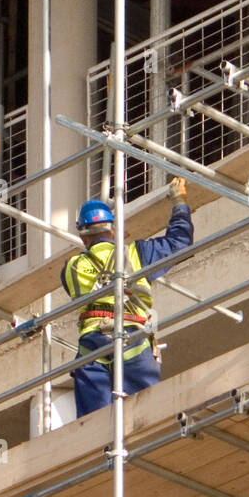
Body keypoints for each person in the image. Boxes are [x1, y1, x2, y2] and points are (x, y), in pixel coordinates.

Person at [61, 178, 193, 419]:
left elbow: (74, 290)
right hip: (133, 338)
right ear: (113, 229)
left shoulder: (72, 267)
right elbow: (179, 243)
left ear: (83, 238)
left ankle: (103, 454)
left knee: (94, 427)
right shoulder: (136, 253)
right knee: (145, 416)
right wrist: (179, 202)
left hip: (92, 346)